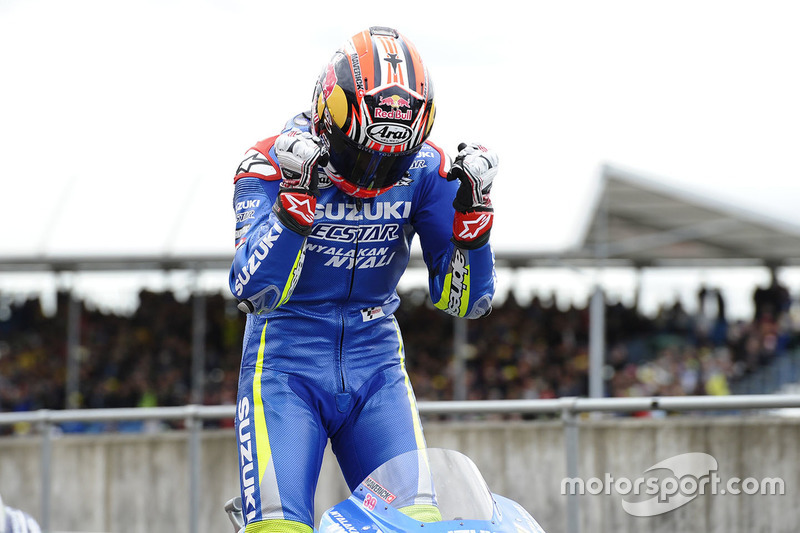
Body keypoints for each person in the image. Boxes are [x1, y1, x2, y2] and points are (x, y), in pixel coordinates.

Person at [228, 26, 498, 533]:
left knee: (418, 522)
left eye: (391, 158)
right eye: (361, 153)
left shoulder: (429, 169)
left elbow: (467, 304)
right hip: (284, 366)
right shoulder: (267, 164)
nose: (374, 173)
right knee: (277, 529)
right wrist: (292, 211)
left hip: (377, 365)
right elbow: (252, 290)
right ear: (327, 117)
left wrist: (474, 225)